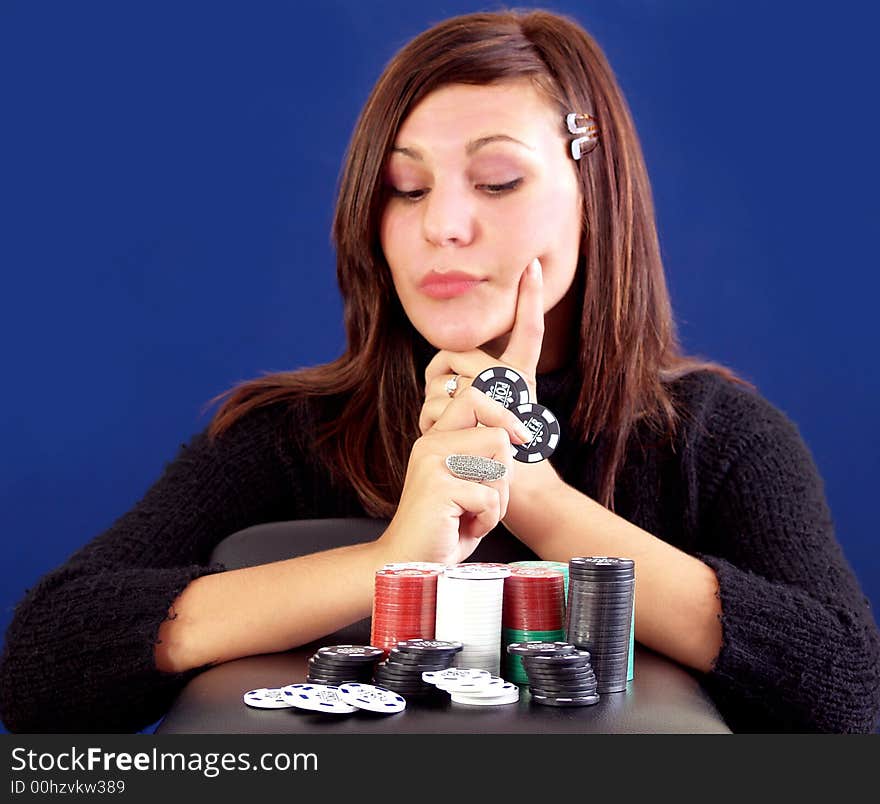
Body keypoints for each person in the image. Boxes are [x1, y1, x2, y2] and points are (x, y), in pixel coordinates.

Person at [1, 8, 878, 734]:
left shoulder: (716, 440)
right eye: (407, 189)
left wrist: (538, 499)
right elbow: (42, 670)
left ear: (594, 197)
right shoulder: (282, 438)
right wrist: (392, 561)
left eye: (497, 181)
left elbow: (848, 698)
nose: (443, 226)